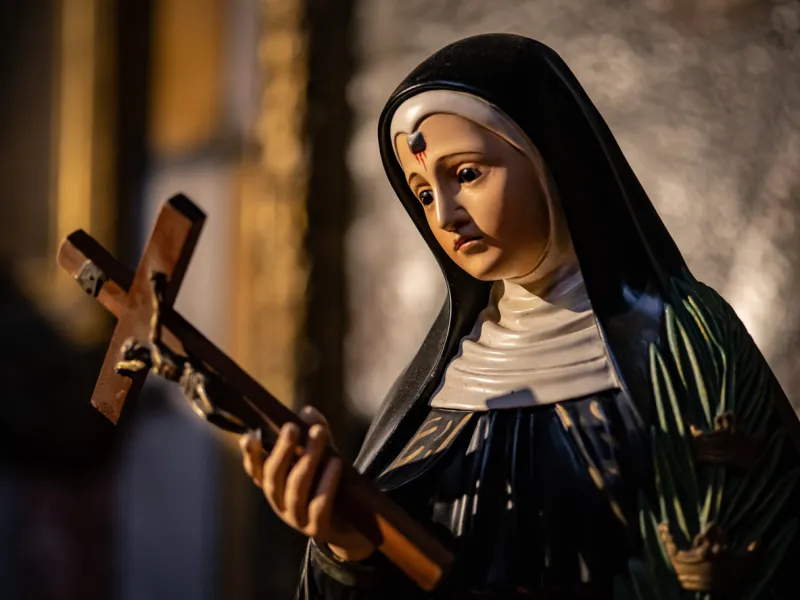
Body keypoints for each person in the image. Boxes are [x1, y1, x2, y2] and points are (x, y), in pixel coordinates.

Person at [240, 34, 800, 599]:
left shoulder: (683, 340)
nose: (445, 215)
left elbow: (759, 544)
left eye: (465, 174)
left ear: (550, 159)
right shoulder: (446, 380)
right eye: (423, 194)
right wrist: (345, 545)